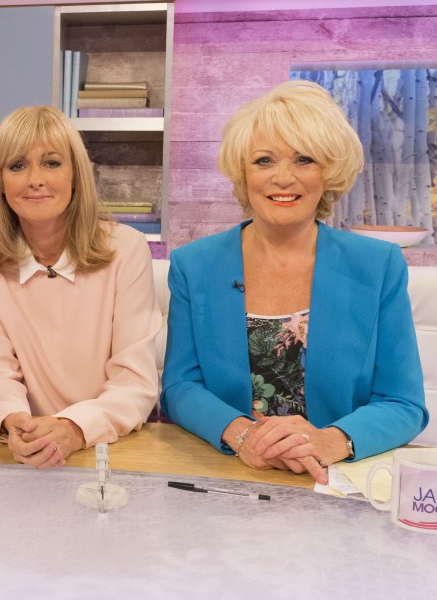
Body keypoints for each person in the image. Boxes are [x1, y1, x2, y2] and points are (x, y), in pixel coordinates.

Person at [160, 80, 429, 484]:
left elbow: (403, 402)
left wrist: (331, 441)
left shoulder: (378, 265)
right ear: (242, 172)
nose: (283, 178)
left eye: (304, 159)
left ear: (329, 172)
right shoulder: (193, 265)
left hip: (337, 483)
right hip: (231, 476)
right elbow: (180, 387)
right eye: (264, 160)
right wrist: (244, 435)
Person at [0, 105, 161, 469]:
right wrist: (15, 423)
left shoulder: (126, 249)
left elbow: (134, 382)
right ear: (0, 181)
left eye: (52, 163)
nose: (35, 179)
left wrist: (73, 429)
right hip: (27, 452)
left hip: (113, 449)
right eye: (17, 166)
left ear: (76, 175)